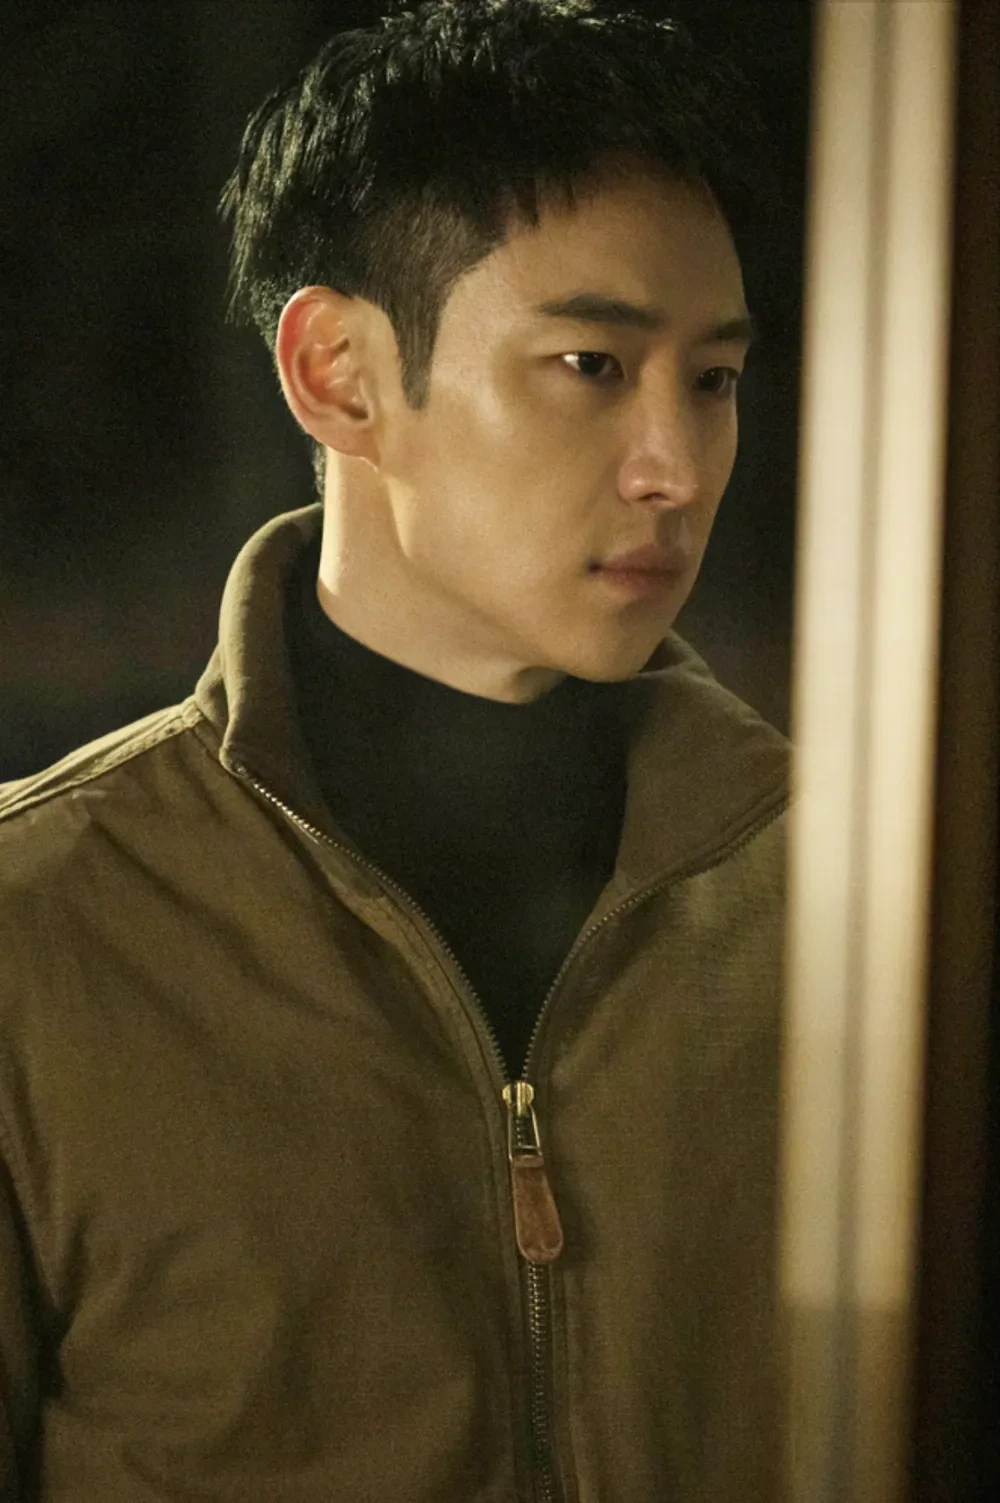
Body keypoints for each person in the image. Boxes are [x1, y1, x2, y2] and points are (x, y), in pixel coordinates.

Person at [0, 2, 789, 1498]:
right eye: (590, 365)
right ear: (340, 373)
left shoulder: (861, 914)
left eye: (714, 380)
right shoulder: (40, 936)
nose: (676, 469)